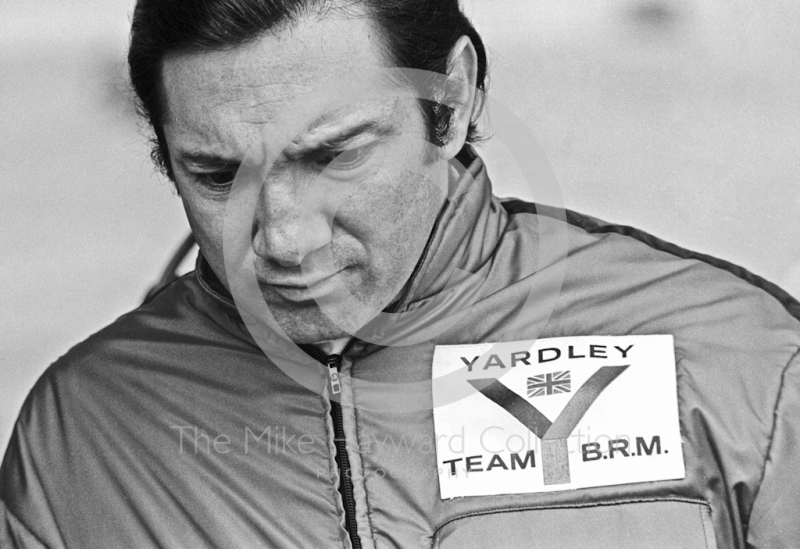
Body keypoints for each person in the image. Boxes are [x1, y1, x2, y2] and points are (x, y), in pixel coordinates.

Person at [2, 0, 798, 547]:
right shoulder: (82, 433)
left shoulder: (741, 369)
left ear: (449, 101)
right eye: (216, 175)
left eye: (335, 155)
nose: (283, 236)